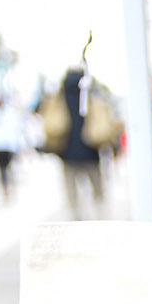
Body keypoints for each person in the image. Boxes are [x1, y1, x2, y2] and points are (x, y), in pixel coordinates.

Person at [45, 68, 107, 219]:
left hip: (67, 153)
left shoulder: (60, 97)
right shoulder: (90, 94)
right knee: (97, 193)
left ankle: (76, 222)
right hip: (90, 150)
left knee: (72, 195)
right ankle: (101, 221)